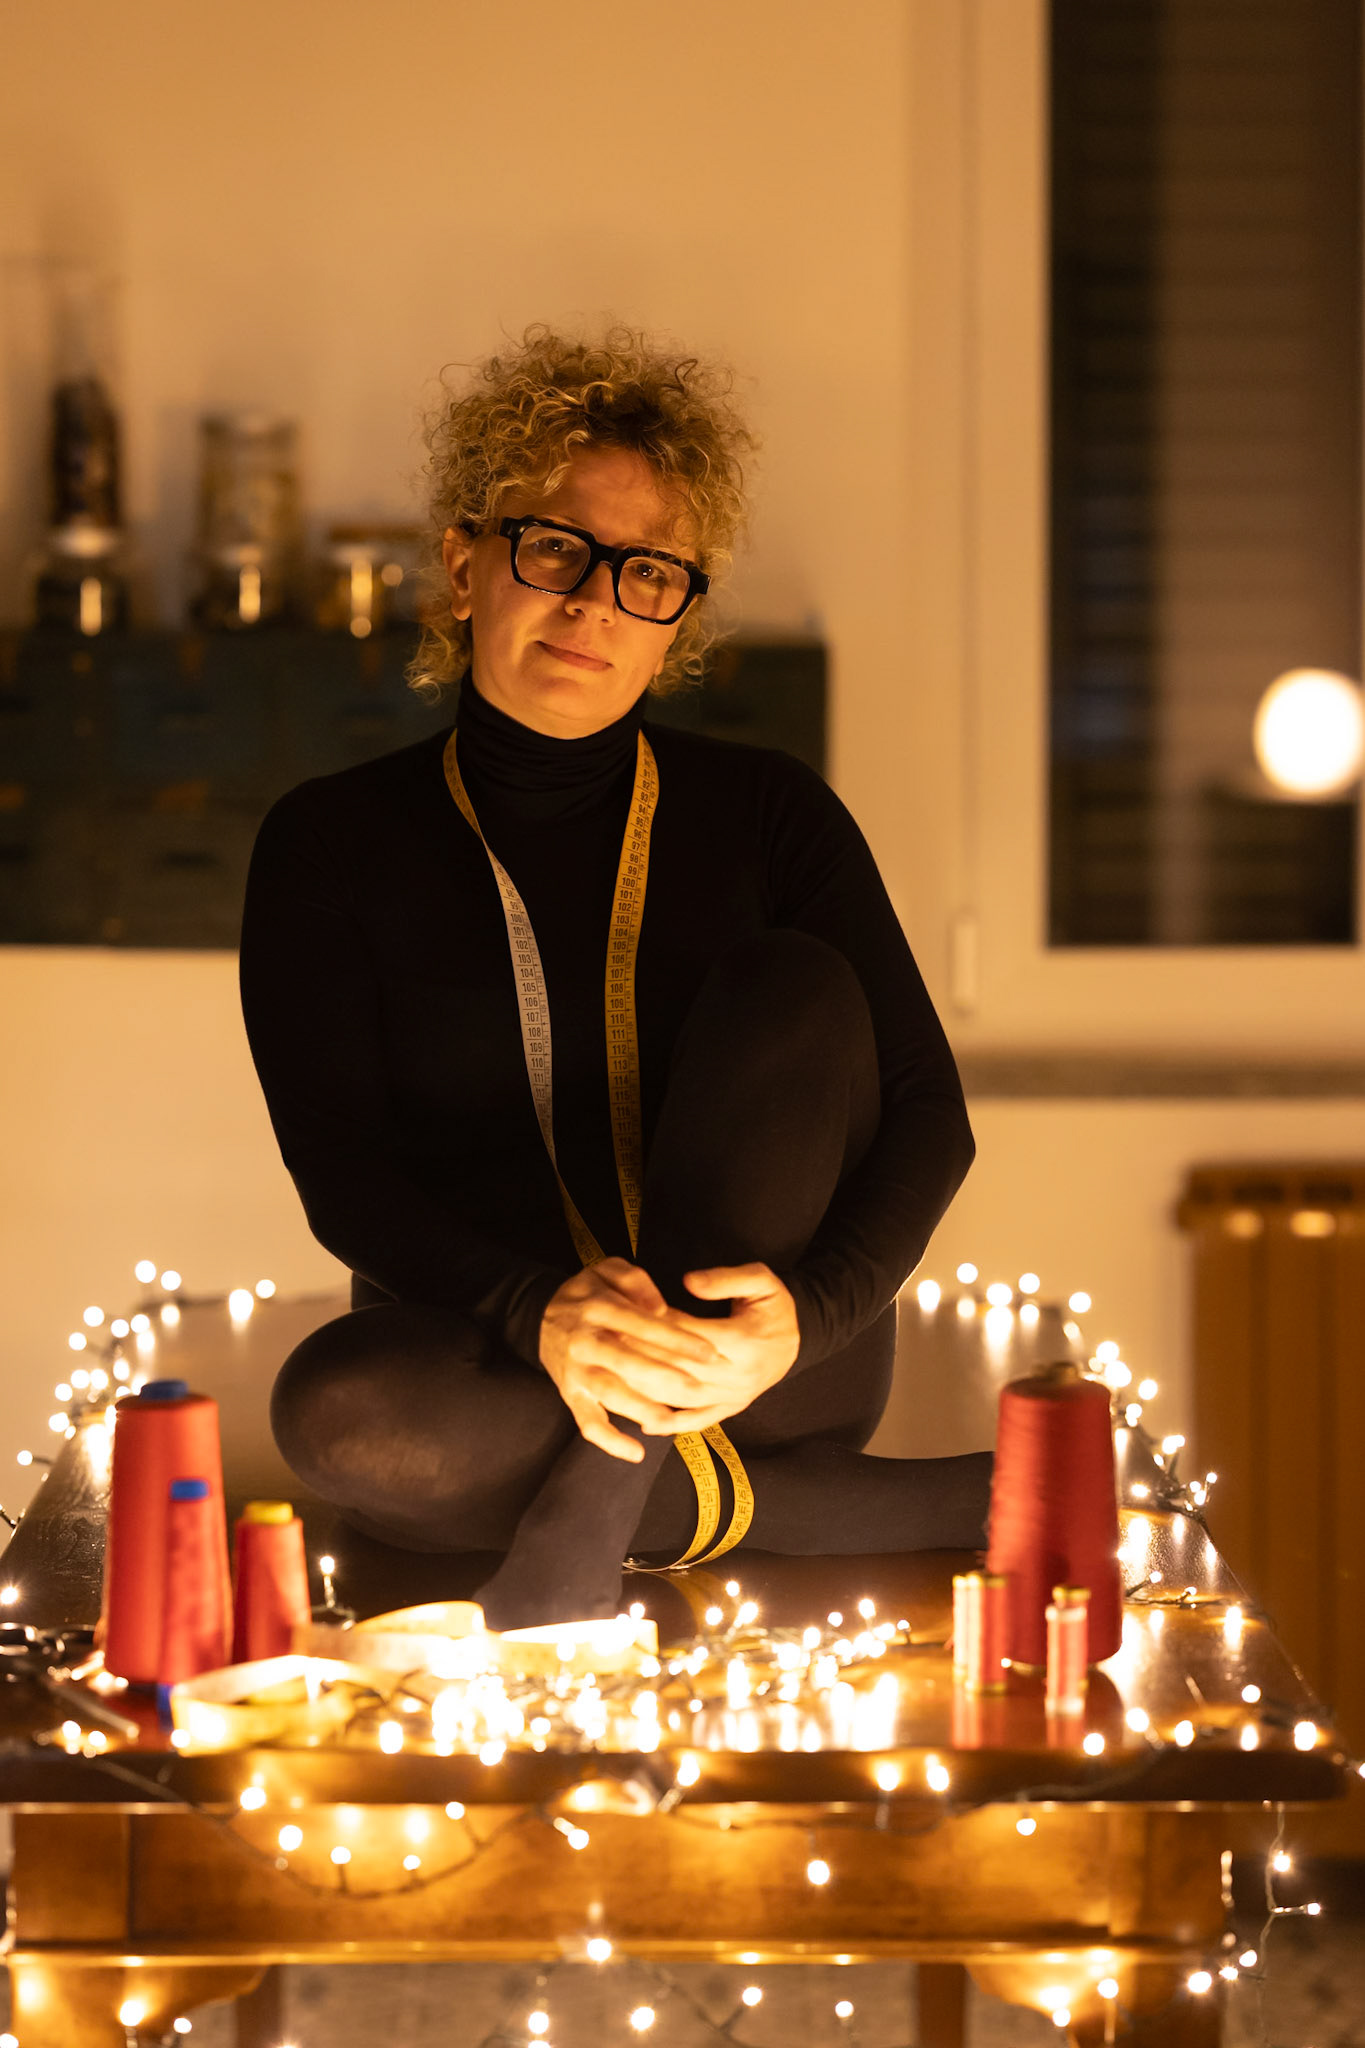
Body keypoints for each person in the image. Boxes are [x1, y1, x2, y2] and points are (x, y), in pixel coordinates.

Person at [238, 326, 991, 1629]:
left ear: (675, 619)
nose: (592, 601)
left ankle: (590, 1513)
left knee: (795, 987)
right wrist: (537, 1311)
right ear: (464, 566)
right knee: (339, 1414)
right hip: (502, 1355)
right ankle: (866, 1506)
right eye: (553, 549)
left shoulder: (773, 814)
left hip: (758, 1364)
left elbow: (931, 1115)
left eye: (645, 572)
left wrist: (807, 1321)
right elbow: (340, 1170)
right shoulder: (328, 842)